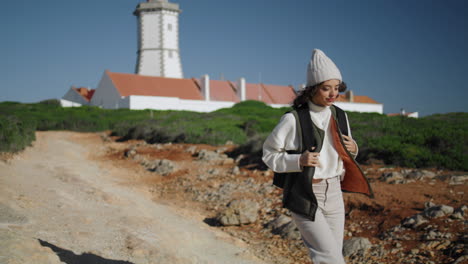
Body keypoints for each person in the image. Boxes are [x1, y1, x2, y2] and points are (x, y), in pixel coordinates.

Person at [262, 49, 373, 264]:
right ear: (312, 90)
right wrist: (298, 160)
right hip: (305, 192)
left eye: (336, 88)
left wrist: (354, 148)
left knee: (331, 255)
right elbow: (268, 155)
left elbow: (343, 153)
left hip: (334, 192)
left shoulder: (341, 116)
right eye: (326, 88)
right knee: (329, 258)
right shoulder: (293, 119)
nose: (333, 94)